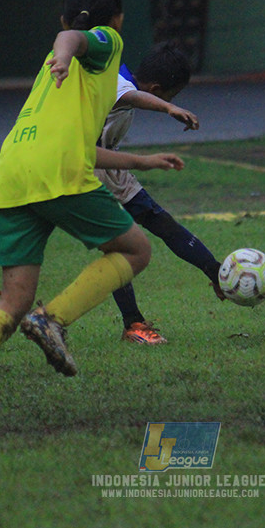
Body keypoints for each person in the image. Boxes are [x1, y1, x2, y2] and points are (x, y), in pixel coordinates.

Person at [0, 0, 184, 423]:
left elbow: (81, 145)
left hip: (14, 171)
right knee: (136, 249)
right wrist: (66, 52)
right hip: (58, 173)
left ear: (63, 14)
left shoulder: (61, 74)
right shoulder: (105, 42)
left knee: (13, 301)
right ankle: (54, 321)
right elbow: (70, 39)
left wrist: (142, 161)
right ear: (115, 20)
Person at [96, 43, 224, 344]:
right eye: (171, 94)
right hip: (85, 168)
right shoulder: (118, 83)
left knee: (162, 222)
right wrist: (168, 108)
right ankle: (133, 324)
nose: (172, 101)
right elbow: (129, 96)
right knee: (120, 247)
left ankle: (216, 272)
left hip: (109, 167)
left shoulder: (123, 80)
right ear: (155, 88)